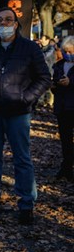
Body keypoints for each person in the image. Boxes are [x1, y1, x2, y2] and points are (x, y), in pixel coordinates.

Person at [0, 7, 51, 225]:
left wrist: (26, 97)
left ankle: (26, 204)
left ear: (16, 24)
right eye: (0, 20)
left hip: (18, 113)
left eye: (8, 20)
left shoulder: (29, 48)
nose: (4, 23)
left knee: (22, 158)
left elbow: (44, 78)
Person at [51, 35, 74, 181]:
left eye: (71, 51)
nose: (68, 54)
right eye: (66, 51)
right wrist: (54, 85)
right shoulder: (59, 65)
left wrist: (71, 82)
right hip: (62, 106)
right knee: (65, 139)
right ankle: (66, 167)